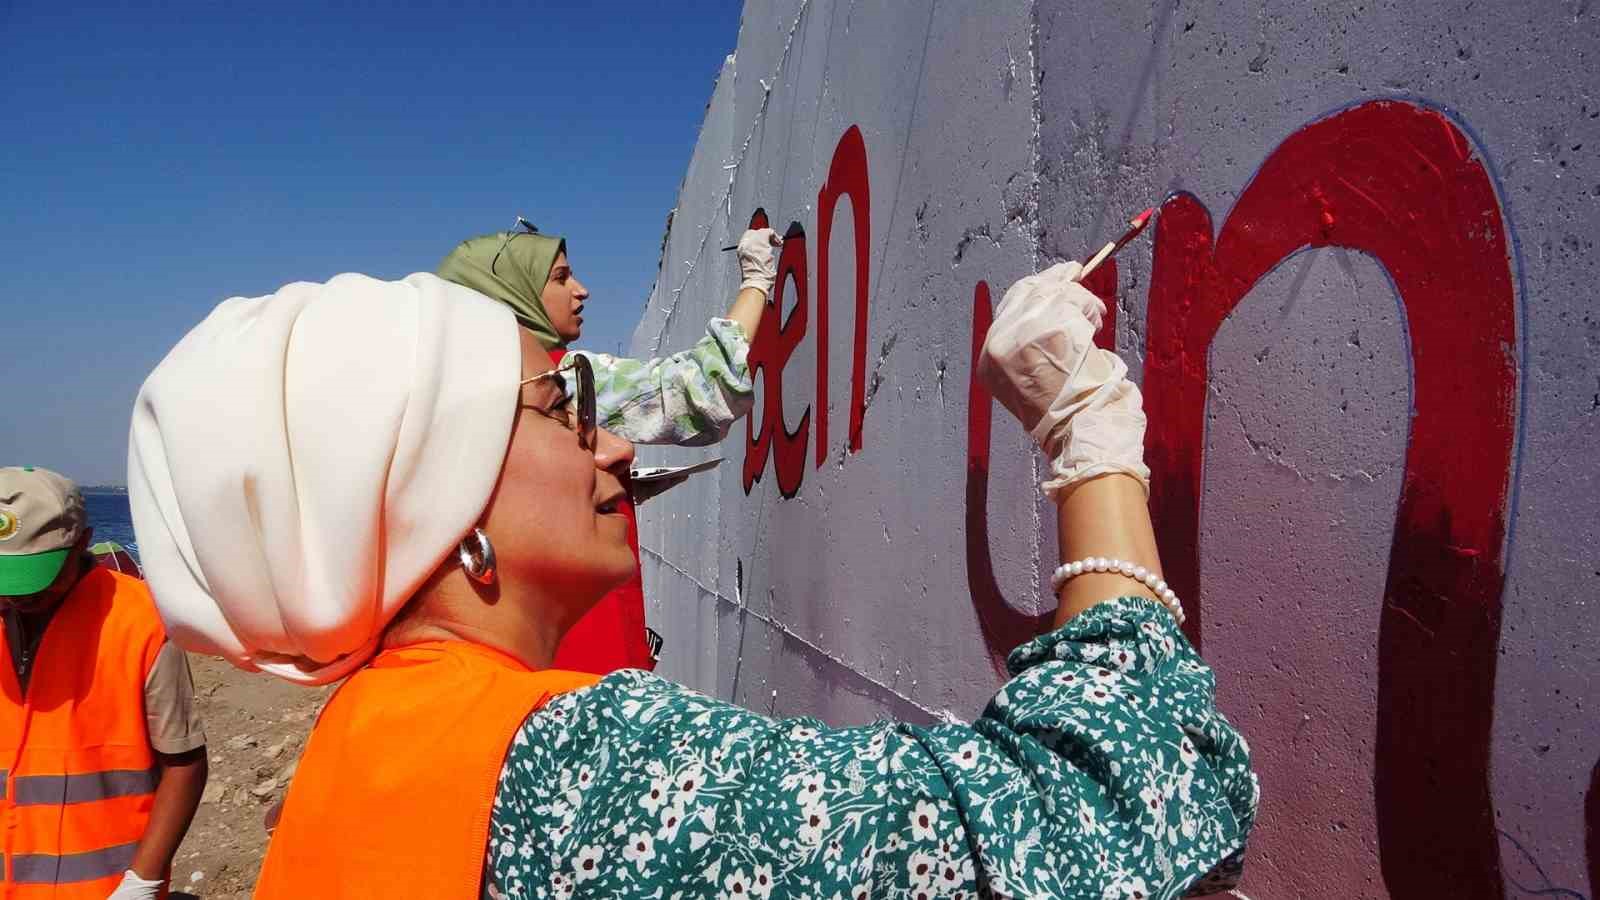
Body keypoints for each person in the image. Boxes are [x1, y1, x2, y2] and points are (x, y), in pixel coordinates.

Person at [128, 263, 1256, 899]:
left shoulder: (367, 745)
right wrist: (1085, 436)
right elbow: (1101, 818)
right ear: (438, 504)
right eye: (561, 407)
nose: (613, 446)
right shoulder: (574, 773)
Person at [436, 222, 782, 675]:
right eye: (560, 278)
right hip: (583, 654)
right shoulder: (563, 377)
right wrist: (756, 280)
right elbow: (697, 388)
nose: (581, 291)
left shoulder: (455, 394)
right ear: (510, 292)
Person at [0, 466, 207, 900]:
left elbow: (185, 763)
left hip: (103, 888)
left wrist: (142, 881)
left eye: (38, 577)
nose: (19, 596)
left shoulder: (143, 624)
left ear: (82, 542)